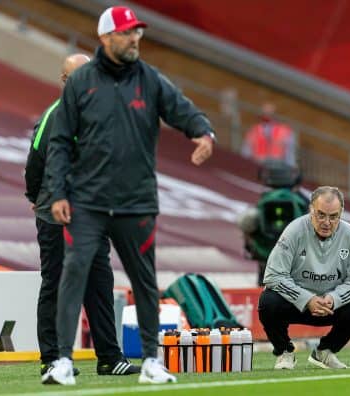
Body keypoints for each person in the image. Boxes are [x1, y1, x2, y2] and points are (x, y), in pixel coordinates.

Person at [41, 6, 216, 385]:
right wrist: (56, 192)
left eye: (137, 32)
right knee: (73, 273)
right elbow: (57, 143)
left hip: (136, 202)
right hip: (87, 202)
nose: (134, 38)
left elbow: (182, 109)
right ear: (105, 38)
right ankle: (62, 361)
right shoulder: (81, 82)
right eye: (125, 33)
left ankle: (152, 361)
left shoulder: (150, 80)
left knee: (144, 280)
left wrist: (203, 133)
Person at [25, 53, 139, 378]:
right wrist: (36, 197)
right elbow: (35, 162)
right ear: (65, 82)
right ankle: (53, 360)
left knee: (99, 284)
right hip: (57, 215)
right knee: (58, 284)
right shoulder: (56, 115)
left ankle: (109, 358)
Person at [258, 186, 350, 370]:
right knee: (267, 301)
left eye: (333, 216)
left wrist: (334, 299)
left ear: (341, 213)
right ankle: (284, 352)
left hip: (329, 306)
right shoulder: (294, 231)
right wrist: (306, 299)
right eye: (321, 215)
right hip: (297, 304)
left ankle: (324, 352)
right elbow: (273, 276)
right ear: (311, 209)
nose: (326, 222)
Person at [241, 102, 296, 166]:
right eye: (265, 113)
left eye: (269, 113)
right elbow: (246, 150)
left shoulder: (285, 131)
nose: (267, 116)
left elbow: (289, 153)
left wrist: (291, 167)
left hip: (277, 165)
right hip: (258, 163)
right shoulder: (254, 130)